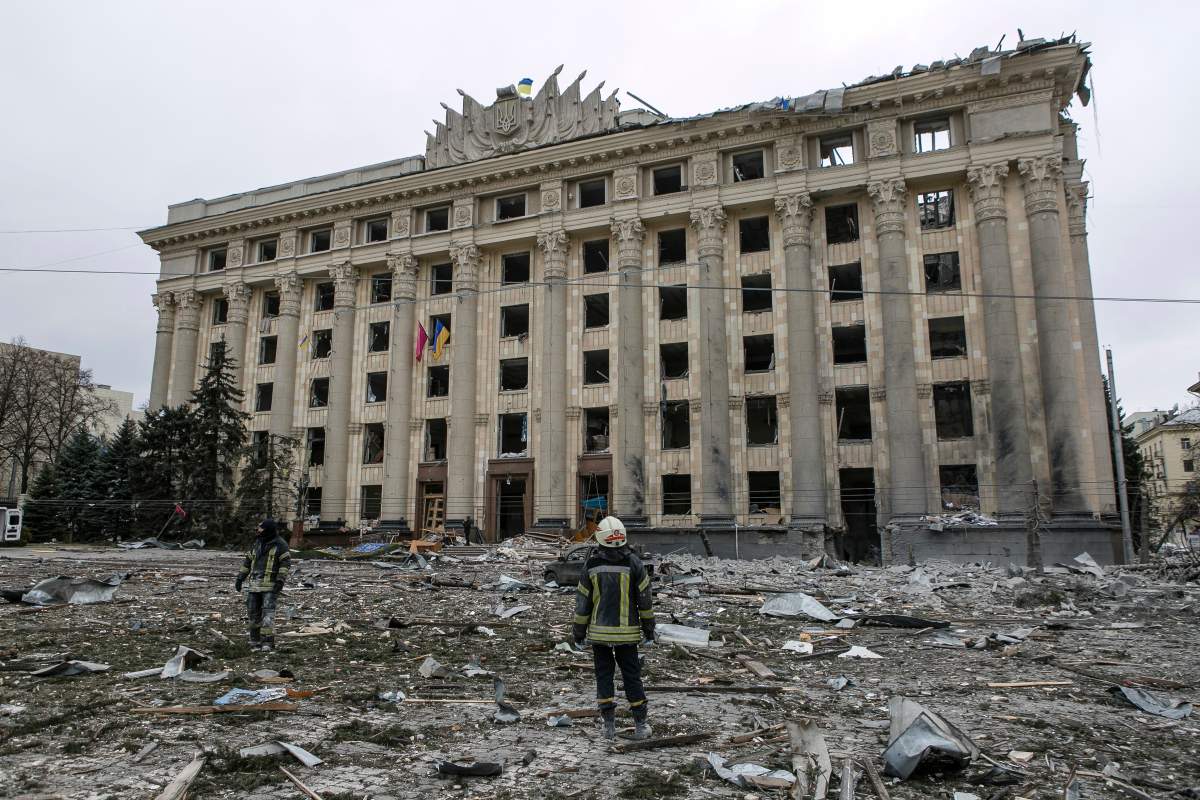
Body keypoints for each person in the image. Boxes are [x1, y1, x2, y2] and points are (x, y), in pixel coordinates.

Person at [572, 516, 655, 740]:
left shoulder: (592, 565)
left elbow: (583, 604)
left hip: (599, 635)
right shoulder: (634, 563)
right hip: (628, 635)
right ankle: (640, 725)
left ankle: (609, 726)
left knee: (604, 676)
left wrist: (578, 633)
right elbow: (645, 601)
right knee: (632, 676)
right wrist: (649, 629)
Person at [235, 518, 291, 651]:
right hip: (254, 586)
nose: (258, 530)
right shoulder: (257, 543)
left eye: (260, 528)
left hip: (270, 587)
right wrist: (240, 578)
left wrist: (280, 581)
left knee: (267, 616)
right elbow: (248, 562)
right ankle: (254, 641)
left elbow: (285, 564)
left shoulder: (280, 544)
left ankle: (267, 643)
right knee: (253, 613)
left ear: (268, 529)